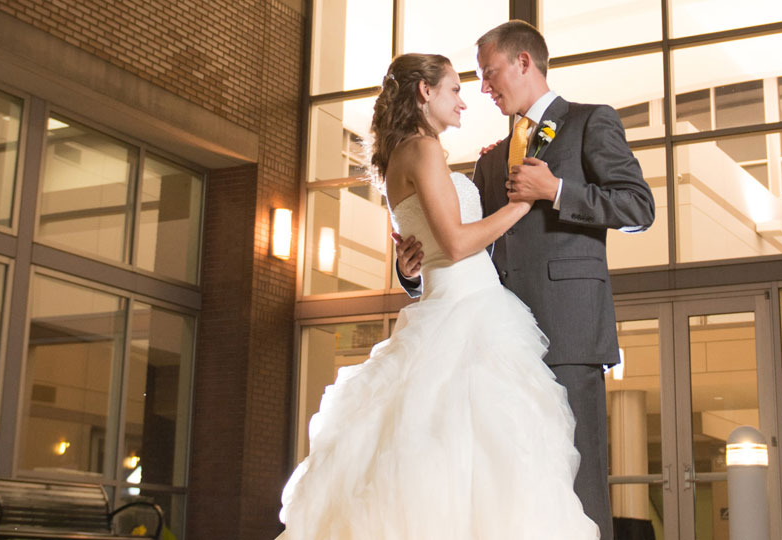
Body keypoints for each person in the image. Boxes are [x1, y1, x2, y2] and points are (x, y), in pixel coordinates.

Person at [275, 52, 598, 540]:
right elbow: (456, 242)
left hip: (453, 306)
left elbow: (419, 250)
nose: (464, 101)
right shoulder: (422, 151)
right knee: (490, 466)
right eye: (454, 89)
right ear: (425, 92)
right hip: (468, 314)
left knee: (450, 462)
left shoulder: (400, 157)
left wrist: (411, 270)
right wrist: (524, 203)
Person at [394, 21, 656, 540]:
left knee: (578, 487)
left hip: (568, 331)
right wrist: (411, 274)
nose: (484, 89)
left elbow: (638, 207)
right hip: (496, 343)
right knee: (512, 486)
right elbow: (465, 241)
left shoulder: (589, 122)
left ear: (523, 63)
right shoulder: (490, 158)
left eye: (490, 75)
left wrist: (557, 188)